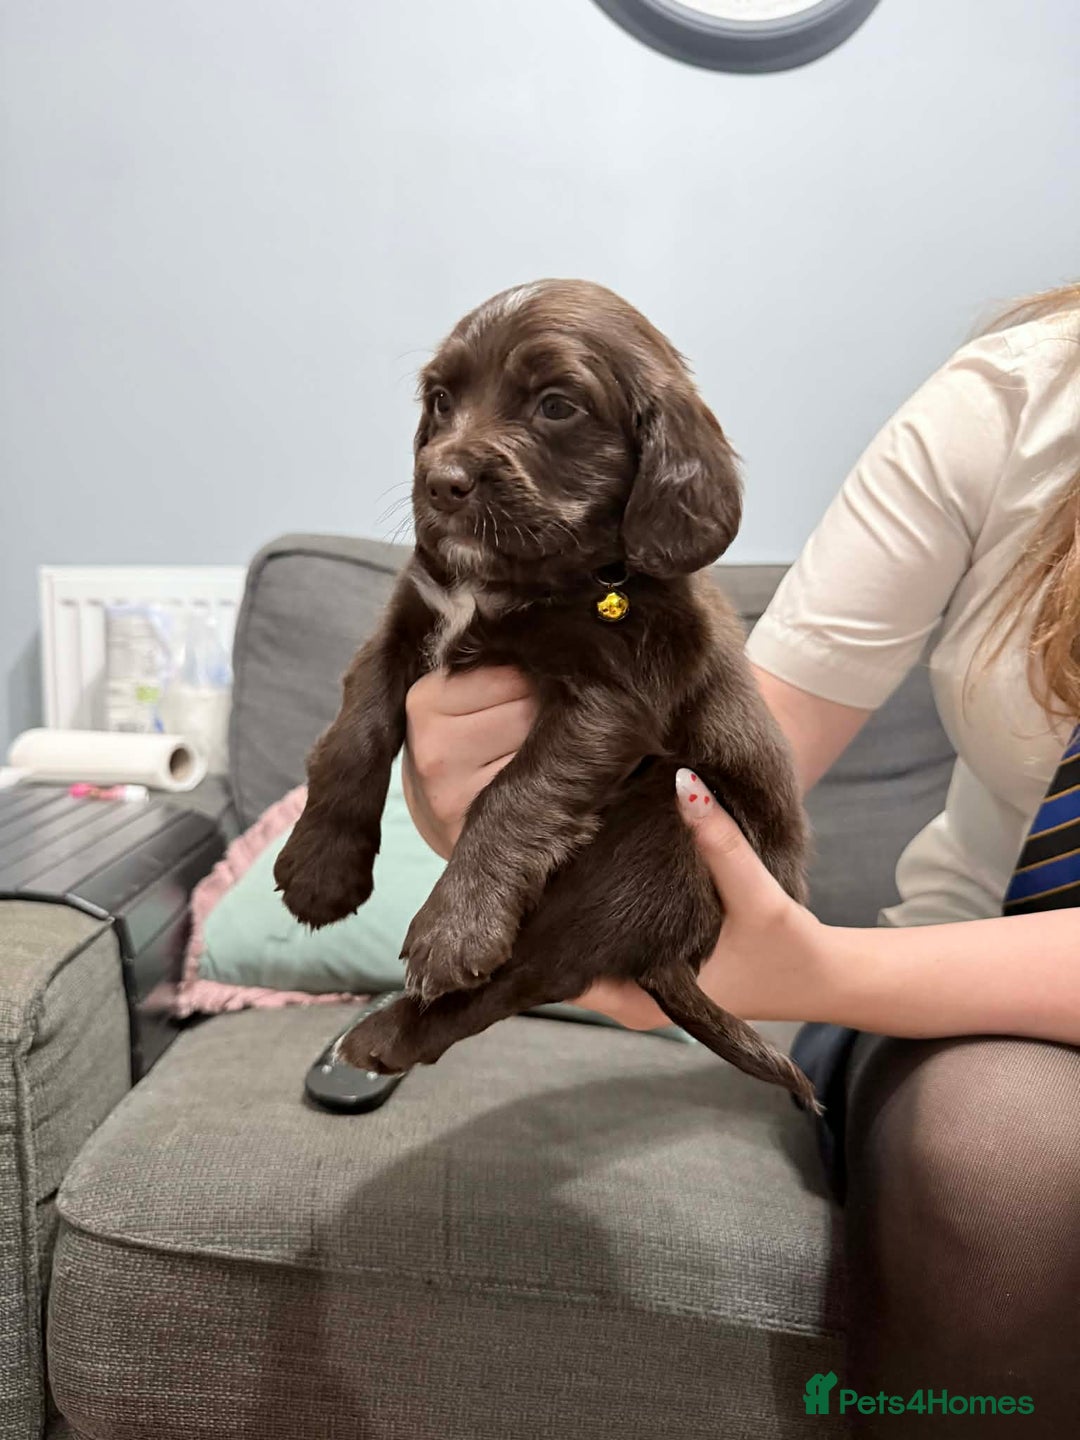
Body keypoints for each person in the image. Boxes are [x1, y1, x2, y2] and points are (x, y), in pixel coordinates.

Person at [401, 283, 1080, 1433]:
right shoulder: (1022, 396)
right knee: (999, 1161)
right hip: (967, 995)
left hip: (863, 978)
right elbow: (715, 776)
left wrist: (812, 974)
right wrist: (471, 807)